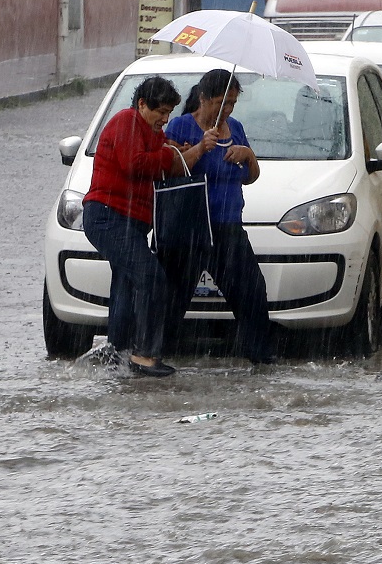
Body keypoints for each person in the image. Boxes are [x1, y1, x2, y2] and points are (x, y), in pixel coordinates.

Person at [82, 76, 196, 377]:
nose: (165, 118)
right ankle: (144, 355)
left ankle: (117, 352)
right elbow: (135, 163)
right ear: (142, 104)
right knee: (151, 278)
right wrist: (167, 154)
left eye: (169, 112)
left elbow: (155, 156)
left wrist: (169, 148)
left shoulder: (148, 131)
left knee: (126, 283)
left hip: (128, 221)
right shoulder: (127, 121)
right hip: (107, 216)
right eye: (160, 111)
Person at [161, 68, 276, 365]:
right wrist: (200, 148)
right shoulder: (180, 126)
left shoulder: (235, 127)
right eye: (220, 103)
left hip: (228, 225)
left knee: (251, 289)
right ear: (203, 99)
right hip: (190, 227)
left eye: (232, 104)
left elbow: (250, 177)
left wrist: (247, 156)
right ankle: (155, 353)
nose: (226, 110)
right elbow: (169, 170)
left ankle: (259, 354)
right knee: (173, 296)